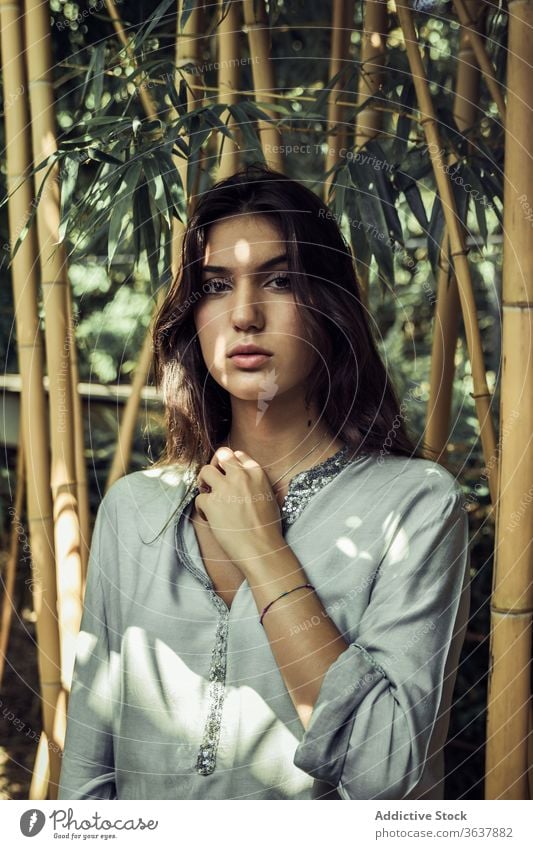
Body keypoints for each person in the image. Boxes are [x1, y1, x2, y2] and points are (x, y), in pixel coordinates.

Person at [58, 163, 470, 800]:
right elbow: (88, 775)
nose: (244, 315)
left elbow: (384, 773)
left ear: (330, 305)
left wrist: (264, 552)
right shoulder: (135, 510)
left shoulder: (414, 505)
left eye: (279, 280)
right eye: (217, 285)